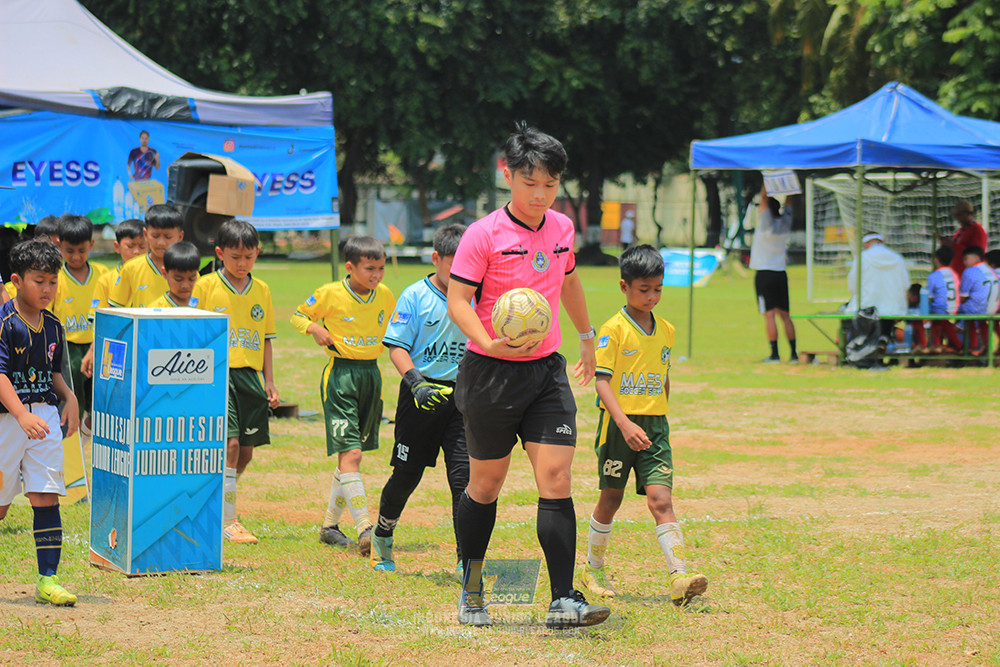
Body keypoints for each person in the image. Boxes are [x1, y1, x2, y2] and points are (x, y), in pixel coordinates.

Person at [446, 123, 609, 629]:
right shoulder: (483, 234)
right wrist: (488, 339)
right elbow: (458, 300)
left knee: (557, 477)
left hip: (546, 374)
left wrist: (585, 332)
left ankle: (564, 599)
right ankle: (472, 592)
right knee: (486, 485)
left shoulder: (561, 228)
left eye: (550, 185)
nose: (541, 195)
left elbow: (570, 278)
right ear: (508, 177)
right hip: (490, 373)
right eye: (530, 183)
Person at [580, 244, 708, 606]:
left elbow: (663, 374)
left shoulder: (666, 329)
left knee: (661, 499)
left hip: (654, 427)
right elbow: (601, 381)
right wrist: (623, 423)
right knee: (612, 497)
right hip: (618, 426)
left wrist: (659, 410)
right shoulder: (613, 330)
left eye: (658, 289)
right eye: (644, 289)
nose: (652, 297)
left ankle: (679, 577)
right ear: (624, 287)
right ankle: (593, 568)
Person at [371, 224, 469, 575]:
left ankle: (466, 558)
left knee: (464, 479)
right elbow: (396, 344)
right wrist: (415, 382)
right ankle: (382, 534)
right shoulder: (415, 295)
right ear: (436, 259)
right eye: (453, 264)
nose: (461, 273)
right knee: (406, 475)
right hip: (420, 396)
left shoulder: (478, 296)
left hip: (461, 401)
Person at [291, 236, 395, 556]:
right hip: (340, 377)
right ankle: (366, 527)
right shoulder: (329, 293)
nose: (376, 275)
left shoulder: (386, 296)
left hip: (371, 375)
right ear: (350, 268)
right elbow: (298, 316)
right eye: (369, 269)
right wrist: (314, 328)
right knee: (352, 455)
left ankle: (329, 527)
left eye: (380, 268)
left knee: (349, 457)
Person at [0, 238, 80, 606]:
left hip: (45, 415)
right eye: (38, 280)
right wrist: (20, 414)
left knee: (46, 496)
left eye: (53, 281)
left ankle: (48, 579)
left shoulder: (54, 325)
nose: (47, 289)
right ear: (17, 280)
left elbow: (53, 371)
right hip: (8, 418)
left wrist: (70, 398)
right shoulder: (5, 323)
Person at [193, 219, 279, 544]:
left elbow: (267, 339)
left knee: (245, 453)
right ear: (219, 254)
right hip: (217, 374)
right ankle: (227, 520)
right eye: (234, 257)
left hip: (250, 378)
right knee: (228, 446)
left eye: (248, 257)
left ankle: (217, 500)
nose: (242, 264)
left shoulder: (263, 290)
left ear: (257, 253)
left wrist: (269, 381)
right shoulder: (205, 287)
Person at [52, 215, 109, 427]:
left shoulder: (104, 275)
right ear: (59, 245)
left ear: (91, 245)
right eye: (70, 251)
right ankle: (72, 441)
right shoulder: (55, 277)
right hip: (69, 349)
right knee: (72, 401)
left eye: (82, 250)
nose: (76, 257)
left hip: (98, 346)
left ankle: (93, 434)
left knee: (101, 403)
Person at [79, 219, 147, 380]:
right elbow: (100, 319)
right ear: (117, 247)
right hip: (115, 345)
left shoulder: (154, 275)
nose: (136, 252)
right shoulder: (106, 280)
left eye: (142, 247)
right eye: (130, 247)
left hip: (145, 344)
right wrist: (93, 349)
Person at [750, 184, 797, 363]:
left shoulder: (765, 224)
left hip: (764, 273)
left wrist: (765, 180)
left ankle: (774, 354)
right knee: (785, 315)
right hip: (780, 273)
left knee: (769, 314)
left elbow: (763, 199)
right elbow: (790, 204)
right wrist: (790, 185)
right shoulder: (785, 223)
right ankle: (793, 353)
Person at [108, 204, 184, 309]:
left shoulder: (187, 270)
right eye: (155, 236)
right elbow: (114, 309)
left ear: (180, 237)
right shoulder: (131, 268)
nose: (161, 243)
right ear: (145, 234)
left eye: (168, 237)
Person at [846, 232, 910, 337]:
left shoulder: (862, 258)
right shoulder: (897, 258)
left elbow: (853, 284)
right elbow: (906, 284)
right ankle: (884, 338)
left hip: (866, 309)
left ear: (866, 244)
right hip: (894, 309)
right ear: (882, 242)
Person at [957, 246, 1000, 355]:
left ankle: (972, 346)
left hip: (979, 308)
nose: (964, 262)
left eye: (966, 259)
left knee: (959, 310)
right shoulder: (990, 271)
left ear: (976, 258)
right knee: (981, 319)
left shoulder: (970, 271)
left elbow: (963, 296)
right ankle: (985, 345)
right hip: (992, 308)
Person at [923, 246, 962, 354]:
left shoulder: (933, 276)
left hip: (941, 309)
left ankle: (938, 344)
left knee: (931, 312)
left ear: (936, 259)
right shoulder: (955, 275)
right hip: (955, 307)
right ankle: (938, 345)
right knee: (939, 319)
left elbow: (929, 297)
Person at [940, 200, 987, 276]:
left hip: (970, 274)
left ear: (968, 214)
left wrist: (953, 245)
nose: (957, 218)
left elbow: (976, 254)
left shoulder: (977, 230)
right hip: (957, 273)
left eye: (959, 215)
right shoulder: (960, 230)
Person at [149, 241, 200, 308]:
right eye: (178, 279)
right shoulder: (154, 309)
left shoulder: (203, 305)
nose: (185, 286)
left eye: (191, 279)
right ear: (164, 273)